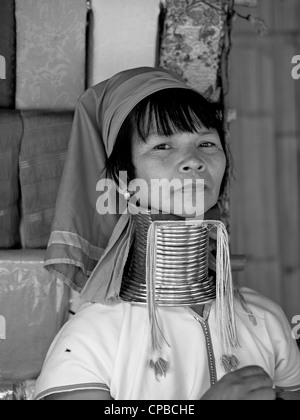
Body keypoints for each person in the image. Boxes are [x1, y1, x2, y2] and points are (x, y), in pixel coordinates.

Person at [34, 67, 300, 400]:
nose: (193, 160)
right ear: (122, 178)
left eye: (206, 143)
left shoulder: (267, 320)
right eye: (162, 146)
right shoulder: (91, 338)